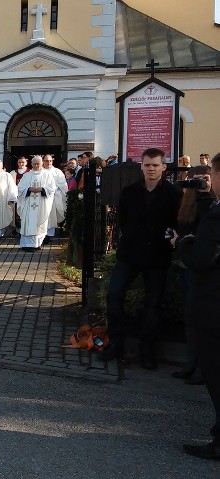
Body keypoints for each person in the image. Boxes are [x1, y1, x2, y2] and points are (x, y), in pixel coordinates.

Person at [97, 148, 182, 369]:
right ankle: (116, 344)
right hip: (130, 254)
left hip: (157, 256)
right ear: (141, 167)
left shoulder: (173, 194)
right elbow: (123, 221)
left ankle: (147, 351)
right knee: (114, 295)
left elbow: (177, 223)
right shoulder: (130, 192)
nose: (151, 169)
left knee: (153, 304)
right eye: (147, 165)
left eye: (155, 165)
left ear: (164, 167)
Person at [176, 152, 220, 460]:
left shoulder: (217, 216)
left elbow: (202, 259)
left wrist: (184, 244)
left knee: (217, 375)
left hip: (213, 305)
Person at [170, 165, 215, 385]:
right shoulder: (186, 203)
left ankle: (203, 369)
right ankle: (191, 363)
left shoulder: (213, 205)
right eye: (196, 180)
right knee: (191, 316)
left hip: (207, 268)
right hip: (188, 265)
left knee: (206, 321)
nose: (200, 185)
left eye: (204, 179)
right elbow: (182, 227)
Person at [16, 156, 55, 251]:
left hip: (41, 203)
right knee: (28, 223)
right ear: (31, 164)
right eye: (35, 163)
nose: (36, 165)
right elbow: (20, 188)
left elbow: (52, 188)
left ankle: (37, 244)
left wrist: (42, 189)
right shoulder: (27, 175)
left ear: (42, 164)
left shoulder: (47, 175)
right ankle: (26, 244)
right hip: (28, 204)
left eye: (38, 163)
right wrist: (29, 189)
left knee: (39, 223)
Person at [42, 154, 68, 242]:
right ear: (43, 162)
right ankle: (42, 234)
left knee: (51, 216)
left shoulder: (57, 172)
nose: (48, 162)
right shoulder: (40, 171)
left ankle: (49, 235)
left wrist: (54, 190)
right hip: (41, 197)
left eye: (50, 161)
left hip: (53, 197)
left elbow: (63, 185)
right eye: (46, 161)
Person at [9, 156, 29, 235]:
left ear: (26, 163)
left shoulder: (30, 173)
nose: (21, 164)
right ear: (17, 163)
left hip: (26, 197)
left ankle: (25, 229)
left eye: (23, 162)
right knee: (16, 214)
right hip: (16, 196)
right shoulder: (13, 173)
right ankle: (17, 229)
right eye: (19, 162)